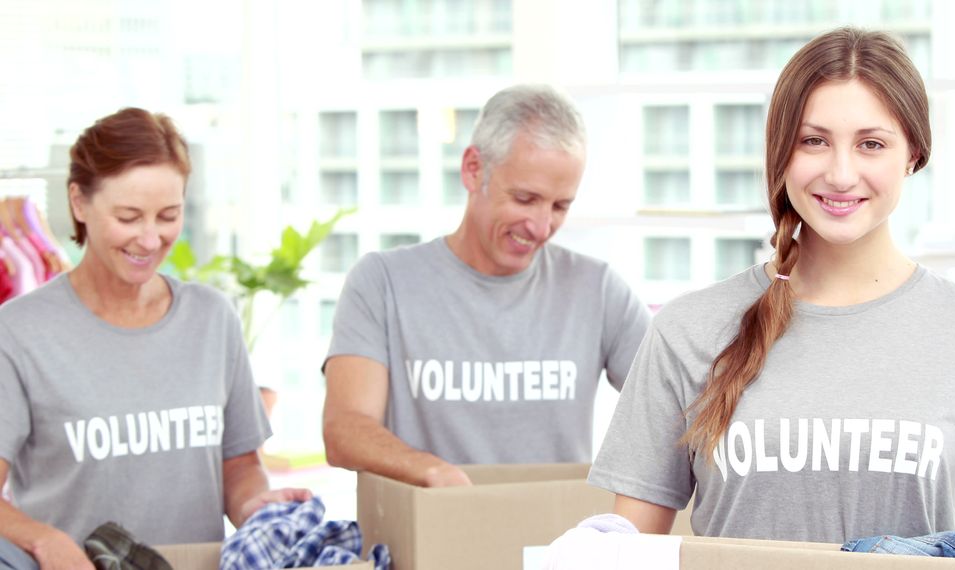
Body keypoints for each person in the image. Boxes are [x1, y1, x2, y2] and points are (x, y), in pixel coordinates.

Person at [587, 28, 955, 542]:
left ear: (912, 154)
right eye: (813, 141)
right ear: (781, 152)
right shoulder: (686, 330)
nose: (841, 175)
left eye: (871, 144)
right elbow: (628, 552)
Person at [0, 108, 310, 569]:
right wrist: (41, 539)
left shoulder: (212, 319)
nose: (149, 240)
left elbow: (240, 466)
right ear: (79, 203)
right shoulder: (19, 332)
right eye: (128, 217)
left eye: (168, 215)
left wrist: (253, 507)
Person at [322, 84, 651, 487]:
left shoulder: (598, 291)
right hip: (433, 532)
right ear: (473, 169)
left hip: (555, 543)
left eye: (560, 206)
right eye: (525, 199)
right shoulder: (382, 283)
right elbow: (344, 429)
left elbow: (684, 412)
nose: (542, 226)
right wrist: (430, 471)